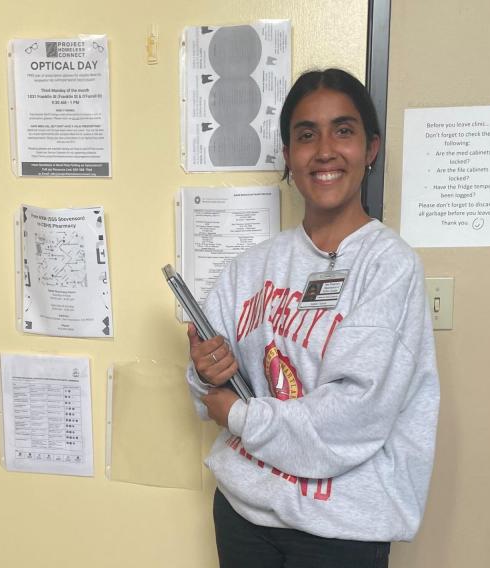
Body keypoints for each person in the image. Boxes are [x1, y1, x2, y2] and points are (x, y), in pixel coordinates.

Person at [185, 68, 439, 568]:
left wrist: (239, 414)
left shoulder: (390, 267)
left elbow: (355, 415)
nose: (324, 150)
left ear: (371, 149)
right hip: (243, 513)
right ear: (288, 157)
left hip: (341, 529)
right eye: (306, 135)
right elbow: (205, 392)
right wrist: (205, 370)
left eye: (343, 130)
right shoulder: (252, 267)